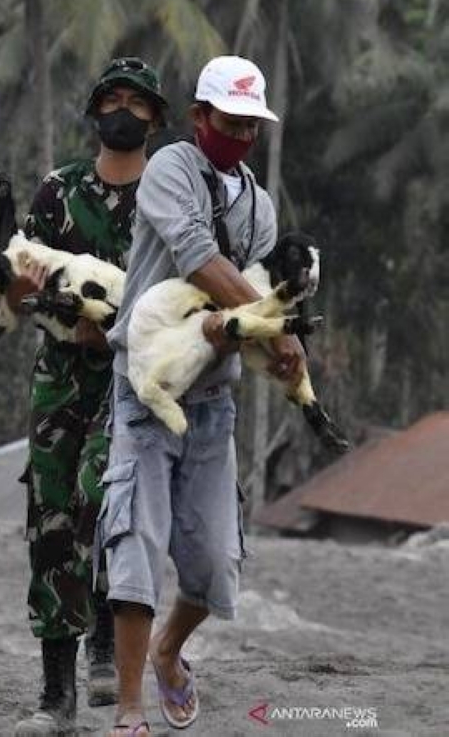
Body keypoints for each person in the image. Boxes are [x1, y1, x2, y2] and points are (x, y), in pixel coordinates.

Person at [101, 56, 303, 736]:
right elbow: (196, 257)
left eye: (252, 125)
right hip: (146, 388)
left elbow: (249, 298)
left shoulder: (260, 206)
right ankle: (130, 710)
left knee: (216, 564)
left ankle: (169, 650)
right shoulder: (170, 169)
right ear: (199, 117)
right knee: (136, 543)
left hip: (212, 402)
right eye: (231, 121)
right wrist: (272, 324)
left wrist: (268, 347)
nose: (242, 134)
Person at [9, 58, 168, 736]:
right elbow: (21, 278)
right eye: (113, 99)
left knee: (105, 506)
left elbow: (185, 287)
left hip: (135, 382)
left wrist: (126, 334)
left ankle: (107, 638)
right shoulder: (58, 190)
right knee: (51, 524)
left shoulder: (169, 194)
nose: (123, 111)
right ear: (95, 109)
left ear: (155, 117)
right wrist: (63, 317)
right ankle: (55, 694)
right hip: (61, 379)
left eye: (136, 102)